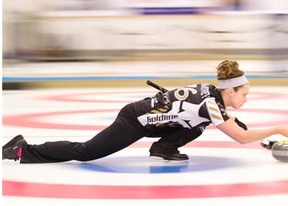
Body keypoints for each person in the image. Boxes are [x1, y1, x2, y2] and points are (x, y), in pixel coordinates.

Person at [3, 60, 288, 163]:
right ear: (230, 90)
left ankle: (163, 148)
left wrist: (266, 139)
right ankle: (22, 150)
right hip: (134, 119)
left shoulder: (211, 93)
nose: (247, 99)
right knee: (86, 151)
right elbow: (239, 136)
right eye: (245, 94)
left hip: (153, 116)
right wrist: (277, 128)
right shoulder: (211, 105)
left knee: (197, 123)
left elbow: (228, 119)